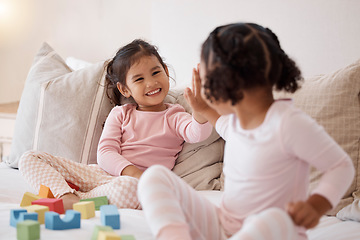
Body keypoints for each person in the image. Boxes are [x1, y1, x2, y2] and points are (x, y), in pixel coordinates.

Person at [137, 23, 355, 240]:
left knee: (275, 218)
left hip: (273, 232)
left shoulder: (287, 123)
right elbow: (221, 124)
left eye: (205, 79)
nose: (202, 87)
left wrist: (317, 204)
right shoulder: (237, 123)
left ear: (229, 83)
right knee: (153, 178)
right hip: (225, 226)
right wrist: (203, 109)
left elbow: (340, 166)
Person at [19, 39, 212, 210]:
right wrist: (133, 172)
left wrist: (200, 111)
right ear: (124, 89)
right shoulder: (120, 113)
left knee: (131, 188)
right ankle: (65, 195)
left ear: (166, 72)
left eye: (155, 72)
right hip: (99, 175)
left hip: (136, 186)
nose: (151, 83)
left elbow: (196, 134)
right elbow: (105, 153)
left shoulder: (174, 115)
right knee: (29, 157)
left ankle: (80, 199)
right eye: (139, 79)